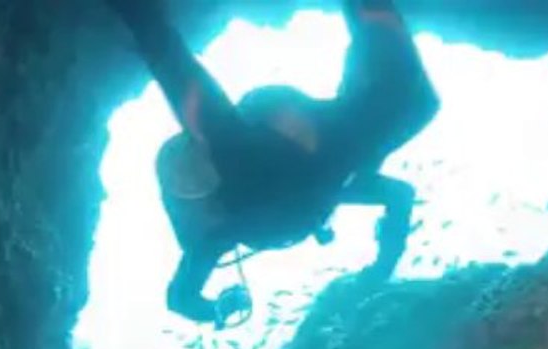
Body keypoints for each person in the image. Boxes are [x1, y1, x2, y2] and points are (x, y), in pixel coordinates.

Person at [105, 0, 440, 328]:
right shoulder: (245, 162)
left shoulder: (234, 188)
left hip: (320, 180)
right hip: (325, 173)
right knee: (411, 100)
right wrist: (384, 264)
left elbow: (180, 298)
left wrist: (218, 310)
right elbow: (171, 63)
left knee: (409, 100)